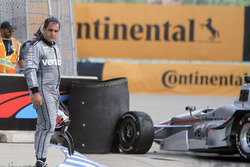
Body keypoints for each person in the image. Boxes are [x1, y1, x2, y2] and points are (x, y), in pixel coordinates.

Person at [24, 17, 61, 167]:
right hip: (42, 92)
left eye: (56, 31)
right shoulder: (35, 47)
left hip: (54, 93)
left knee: (43, 126)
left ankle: (40, 160)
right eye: (50, 30)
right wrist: (35, 92)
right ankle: (41, 161)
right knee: (48, 126)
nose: (53, 34)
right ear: (44, 29)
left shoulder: (55, 47)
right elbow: (29, 70)